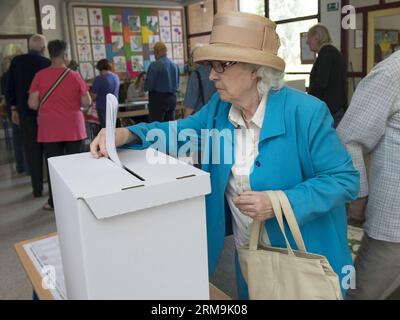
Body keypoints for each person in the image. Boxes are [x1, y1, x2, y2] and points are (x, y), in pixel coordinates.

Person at [91, 12, 359, 299]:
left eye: (221, 65)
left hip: (302, 259)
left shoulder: (305, 112)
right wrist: (127, 134)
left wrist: (280, 202)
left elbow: (345, 180)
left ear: (255, 67)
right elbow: (179, 131)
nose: (211, 75)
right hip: (249, 254)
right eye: (210, 65)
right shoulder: (219, 109)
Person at [337, 50, 400, 300]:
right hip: (394, 225)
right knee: (364, 293)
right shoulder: (392, 73)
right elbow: (348, 139)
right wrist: (359, 196)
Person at [28, 40, 91, 210]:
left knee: (54, 168)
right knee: (76, 165)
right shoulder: (74, 75)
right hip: (74, 128)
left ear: (50, 54)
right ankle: (78, 200)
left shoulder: (39, 76)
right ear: (65, 55)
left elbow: (32, 103)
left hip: (50, 129)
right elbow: (86, 102)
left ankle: (54, 202)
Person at [6, 34, 51, 197]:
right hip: (45, 114)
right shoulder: (47, 63)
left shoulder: (16, 62)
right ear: (44, 48)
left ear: (29, 46)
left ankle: (37, 189)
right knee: (49, 150)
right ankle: (52, 188)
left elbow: (8, 86)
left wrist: (13, 108)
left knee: (31, 151)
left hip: (25, 113)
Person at [307, 24, 347, 128]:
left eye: (309, 38)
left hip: (330, 110)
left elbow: (321, 83)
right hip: (337, 107)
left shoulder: (326, 54)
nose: (307, 42)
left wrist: (308, 99)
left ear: (317, 37)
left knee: (328, 142)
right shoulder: (334, 52)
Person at [1, 56, 26, 174]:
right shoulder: (21, 74)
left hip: (13, 109)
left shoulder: (4, 76)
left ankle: (20, 166)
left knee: (17, 139)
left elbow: (5, 94)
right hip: (20, 109)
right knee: (25, 139)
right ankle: (26, 166)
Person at [145, 41, 180, 122]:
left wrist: (145, 86)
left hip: (158, 99)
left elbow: (149, 85)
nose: (154, 55)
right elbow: (177, 84)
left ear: (158, 52)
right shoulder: (175, 65)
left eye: (154, 53)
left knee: (156, 126)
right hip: (172, 98)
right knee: (170, 124)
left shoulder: (154, 65)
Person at [183, 45, 216, 118]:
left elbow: (190, 107)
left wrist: (184, 124)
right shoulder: (216, 71)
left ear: (194, 58)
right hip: (216, 116)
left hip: (200, 118)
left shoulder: (196, 75)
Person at [91, 59, 120, 128]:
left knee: (106, 129)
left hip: (103, 107)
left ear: (99, 68)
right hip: (114, 106)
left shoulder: (99, 79)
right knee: (113, 128)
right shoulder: (115, 77)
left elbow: (93, 96)